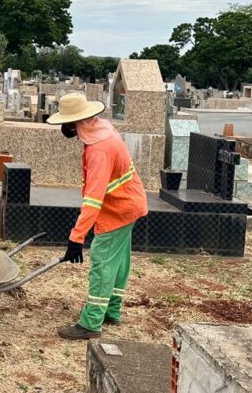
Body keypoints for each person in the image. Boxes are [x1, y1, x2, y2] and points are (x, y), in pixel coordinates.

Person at [46, 92, 148, 340]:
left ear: (75, 123)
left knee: (102, 262)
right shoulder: (103, 128)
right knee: (118, 260)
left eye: (65, 123)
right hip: (129, 203)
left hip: (118, 209)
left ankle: (91, 322)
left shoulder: (99, 150)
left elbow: (92, 200)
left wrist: (76, 238)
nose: (64, 128)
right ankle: (111, 310)